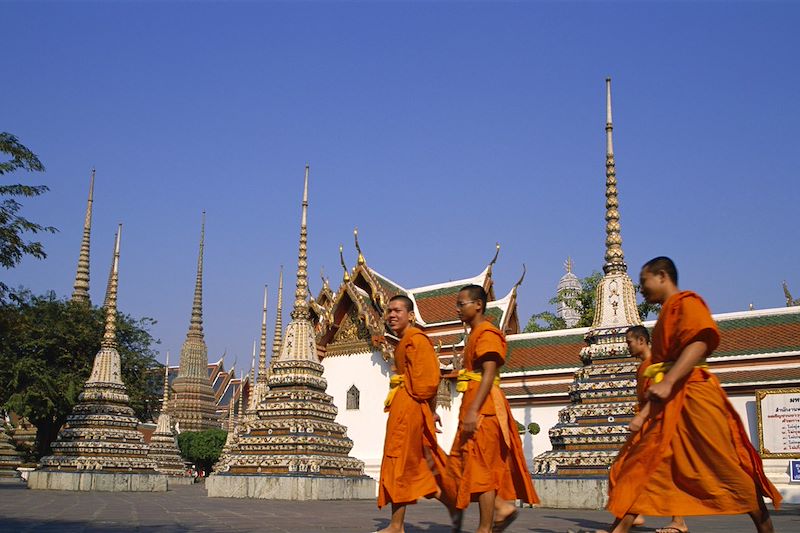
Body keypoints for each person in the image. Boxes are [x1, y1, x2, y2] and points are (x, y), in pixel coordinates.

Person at [604, 257, 781, 533]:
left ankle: (764, 526)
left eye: (644, 281)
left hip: (696, 397)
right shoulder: (664, 316)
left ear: (662, 276)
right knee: (646, 469)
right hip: (669, 404)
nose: (642, 288)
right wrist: (645, 413)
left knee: (724, 467)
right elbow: (661, 375)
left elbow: (698, 344)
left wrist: (669, 381)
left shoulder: (687, 303)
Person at [446, 284, 538, 533]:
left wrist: (474, 410)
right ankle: (501, 508)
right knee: (469, 465)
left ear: (478, 305)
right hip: (475, 404)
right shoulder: (474, 335)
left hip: (485, 408)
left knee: (482, 469)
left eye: (461, 304)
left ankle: (485, 527)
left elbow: (488, 373)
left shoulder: (487, 332)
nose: (457, 309)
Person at [376, 295, 453, 533]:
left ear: (411, 315)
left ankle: (397, 526)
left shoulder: (416, 340)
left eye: (398, 310)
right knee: (418, 467)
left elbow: (428, 382)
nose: (391, 315)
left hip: (409, 410)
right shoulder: (404, 341)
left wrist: (428, 410)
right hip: (405, 408)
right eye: (389, 311)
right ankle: (397, 525)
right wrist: (430, 411)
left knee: (403, 464)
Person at [624, 325, 688, 533]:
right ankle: (636, 513)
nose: (628, 347)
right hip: (647, 424)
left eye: (629, 342)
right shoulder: (644, 366)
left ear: (641, 341)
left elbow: (660, 395)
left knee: (665, 473)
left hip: (657, 424)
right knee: (631, 470)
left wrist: (643, 417)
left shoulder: (655, 364)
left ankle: (678, 521)